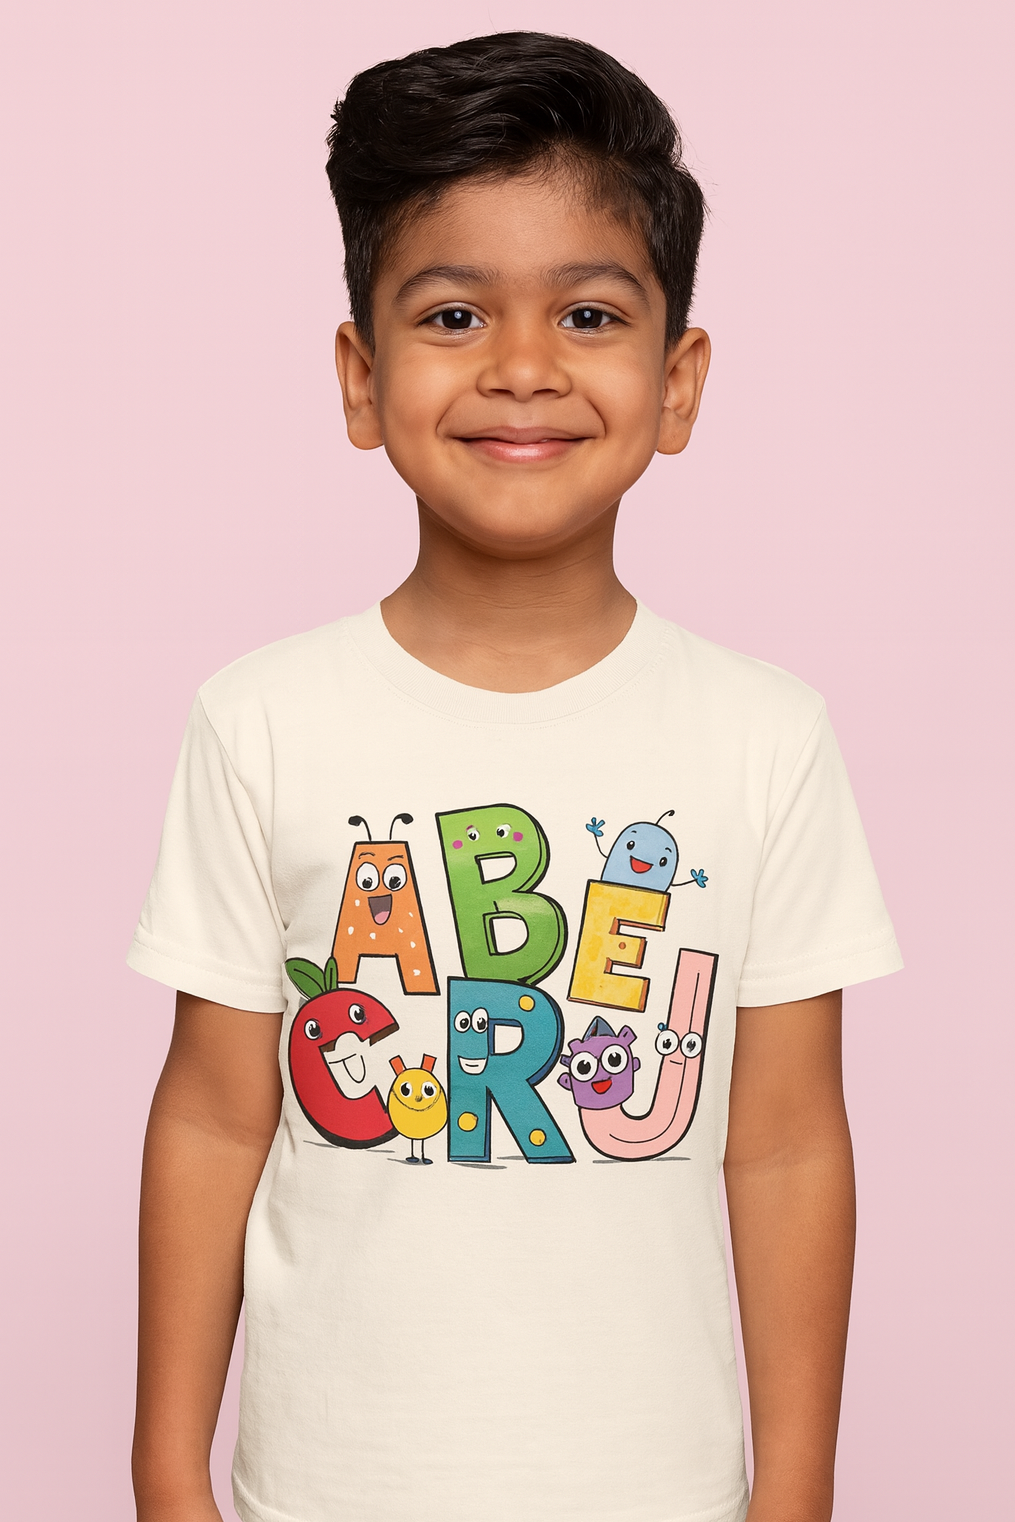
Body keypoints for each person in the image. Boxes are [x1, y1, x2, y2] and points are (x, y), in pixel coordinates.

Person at [128, 31, 902, 1522]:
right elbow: (217, 1115)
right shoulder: (261, 720)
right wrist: (169, 1468)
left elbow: (789, 1136)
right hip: (325, 1492)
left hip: (661, 1491)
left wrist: (793, 1484)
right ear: (362, 376)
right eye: (455, 311)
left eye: (590, 311)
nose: (524, 367)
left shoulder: (763, 735)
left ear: (677, 385)